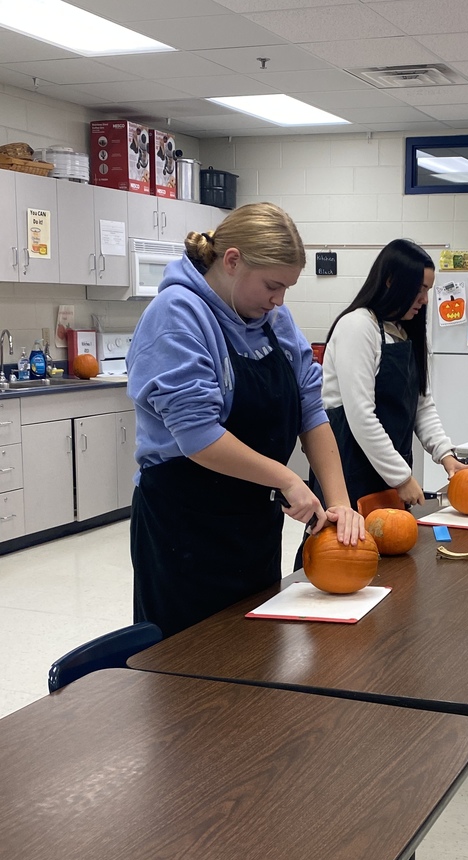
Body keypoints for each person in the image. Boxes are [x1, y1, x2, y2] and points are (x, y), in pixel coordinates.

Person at [127, 202, 365, 638]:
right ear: (233, 261)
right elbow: (198, 436)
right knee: (188, 658)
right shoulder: (176, 315)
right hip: (185, 529)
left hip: (252, 522)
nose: (279, 300)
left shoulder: (274, 319)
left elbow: (311, 411)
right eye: (272, 285)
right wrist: (287, 478)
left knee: (254, 651)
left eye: (286, 288)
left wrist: (340, 504)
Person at [317, 239, 468, 511]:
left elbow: (422, 406)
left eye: (427, 290)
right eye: (419, 289)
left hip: (388, 467)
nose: (425, 300)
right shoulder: (358, 327)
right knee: (348, 538)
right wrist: (402, 477)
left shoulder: (405, 332)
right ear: (391, 281)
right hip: (350, 470)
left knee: (393, 535)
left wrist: (447, 456)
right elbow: (361, 416)